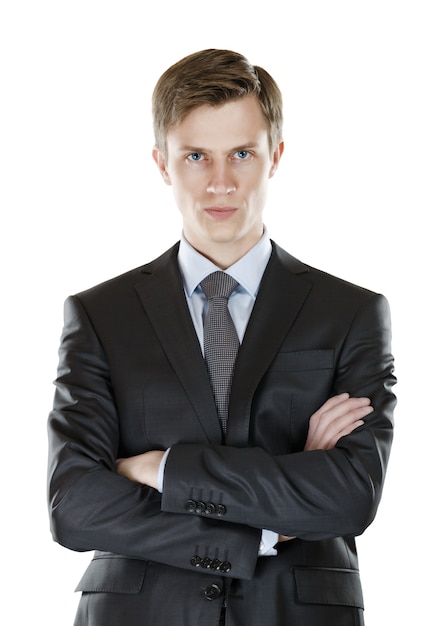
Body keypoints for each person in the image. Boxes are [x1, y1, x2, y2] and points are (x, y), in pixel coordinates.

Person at [47, 48, 396, 626]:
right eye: (195, 156)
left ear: (275, 156)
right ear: (162, 163)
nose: (221, 183)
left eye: (241, 153)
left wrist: (162, 470)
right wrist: (273, 515)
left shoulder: (351, 312)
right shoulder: (100, 315)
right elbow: (76, 506)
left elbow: (351, 496)